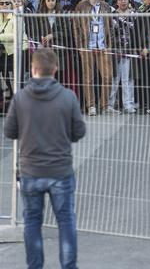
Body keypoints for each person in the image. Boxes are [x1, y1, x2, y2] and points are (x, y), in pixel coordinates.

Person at [4, 48, 86, 269]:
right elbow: (79, 132)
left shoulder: (20, 98)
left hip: (30, 170)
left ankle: (35, 266)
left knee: (32, 221)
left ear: (33, 69)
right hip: (60, 169)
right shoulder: (68, 97)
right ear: (56, 69)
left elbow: (9, 131)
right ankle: (68, 266)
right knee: (66, 220)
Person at [74, 0, 114, 116]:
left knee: (108, 77)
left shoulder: (106, 6)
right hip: (87, 46)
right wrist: (79, 46)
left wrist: (110, 45)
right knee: (88, 78)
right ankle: (91, 106)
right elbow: (76, 27)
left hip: (103, 46)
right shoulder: (81, 6)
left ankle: (105, 105)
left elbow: (110, 27)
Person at [107, 0, 137, 113]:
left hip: (130, 51)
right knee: (115, 78)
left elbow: (138, 33)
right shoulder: (112, 15)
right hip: (115, 51)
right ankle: (110, 104)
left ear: (129, 0)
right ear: (117, 1)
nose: (123, 1)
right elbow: (109, 33)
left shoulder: (135, 14)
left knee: (128, 79)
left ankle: (128, 104)